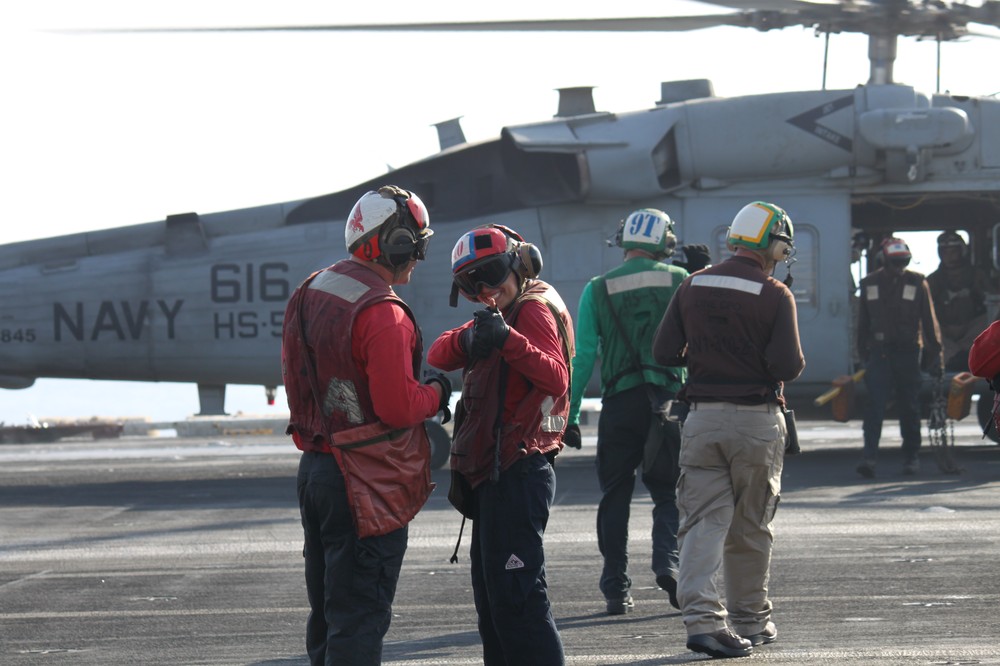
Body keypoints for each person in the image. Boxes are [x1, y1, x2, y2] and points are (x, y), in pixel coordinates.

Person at [281, 185, 452, 666]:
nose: (418, 256)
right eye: (416, 244)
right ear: (395, 245)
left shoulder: (310, 289)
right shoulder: (384, 312)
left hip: (314, 472)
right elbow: (398, 408)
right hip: (363, 483)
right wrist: (438, 394)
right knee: (360, 616)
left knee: (328, 614)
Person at [652, 201, 805, 659]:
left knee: (702, 522)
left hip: (701, 419)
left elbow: (664, 351)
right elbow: (788, 366)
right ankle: (751, 620)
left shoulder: (692, 284)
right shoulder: (776, 293)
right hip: (756, 422)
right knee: (751, 525)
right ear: (775, 244)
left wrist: (704, 359)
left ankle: (702, 622)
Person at [428, 224, 573, 666]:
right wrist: (470, 337)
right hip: (498, 476)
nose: (486, 289)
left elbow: (555, 376)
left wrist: (508, 341)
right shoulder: (501, 314)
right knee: (495, 605)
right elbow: (437, 355)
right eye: (473, 283)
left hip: (517, 472)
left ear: (520, 263)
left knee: (518, 602)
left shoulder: (530, 312)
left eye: (492, 273)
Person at [563, 208, 688, 616]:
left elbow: (581, 360)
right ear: (664, 241)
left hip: (620, 404)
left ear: (625, 240)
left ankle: (616, 586)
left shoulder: (597, 288)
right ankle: (667, 562)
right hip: (668, 401)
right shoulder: (679, 281)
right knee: (668, 493)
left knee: (615, 494)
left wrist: (570, 415)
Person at [856, 237, 943, 478]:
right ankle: (869, 458)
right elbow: (862, 323)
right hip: (879, 354)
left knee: (910, 406)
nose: (899, 267)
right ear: (885, 261)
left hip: (907, 353)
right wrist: (863, 354)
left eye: (903, 262)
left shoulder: (917, 283)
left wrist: (937, 357)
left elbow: (929, 321)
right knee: (874, 407)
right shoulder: (869, 283)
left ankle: (911, 457)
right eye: (895, 263)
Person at [927, 231, 993, 372]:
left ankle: (969, 356)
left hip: (971, 329)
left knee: (988, 323)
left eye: (953, 251)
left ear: (962, 251)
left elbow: (991, 301)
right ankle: (954, 358)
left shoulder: (977, 275)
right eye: (945, 252)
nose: (949, 256)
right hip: (944, 331)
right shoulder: (932, 280)